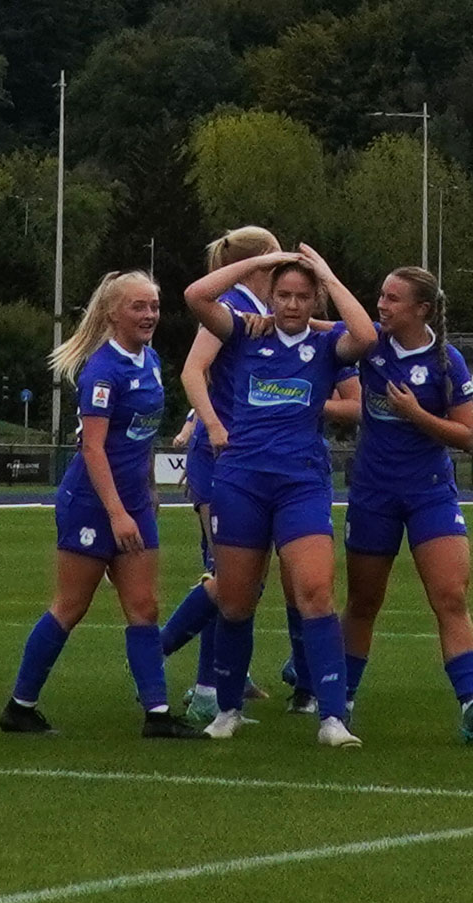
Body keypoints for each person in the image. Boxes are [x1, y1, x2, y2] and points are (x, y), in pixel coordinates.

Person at [0, 271, 205, 738]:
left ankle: (156, 714)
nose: (150, 314)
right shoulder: (103, 370)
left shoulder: (150, 360)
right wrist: (116, 513)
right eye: (138, 306)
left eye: (153, 305)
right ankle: (20, 706)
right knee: (71, 606)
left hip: (131, 502)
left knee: (144, 607)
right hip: (93, 504)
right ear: (113, 313)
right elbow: (93, 448)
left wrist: (147, 490)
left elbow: (140, 439)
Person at [183, 244, 372, 746]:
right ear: (271, 296)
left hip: (301, 482)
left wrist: (328, 274)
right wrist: (258, 264)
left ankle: (332, 717)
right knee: (236, 601)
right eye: (283, 294)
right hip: (242, 480)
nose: (291, 304)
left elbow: (368, 336)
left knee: (315, 591)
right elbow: (195, 294)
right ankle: (227, 710)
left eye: (301, 296)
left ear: (314, 300)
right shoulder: (245, 330)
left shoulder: (327, 344)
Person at [341, 267, 473, 744]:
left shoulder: (446, 361)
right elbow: (318, 329)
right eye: (381, 295)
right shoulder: (369, 345)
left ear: (422, 310)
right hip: (373, 493)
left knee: (450, 596)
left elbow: (468, 436)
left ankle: (472, 703)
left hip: (430, 491)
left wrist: (416, 414)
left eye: (393, 299)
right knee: (364, 601)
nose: (382, 305)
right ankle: (341, 702)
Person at [158, 227, 286, 723]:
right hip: (223, 459)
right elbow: (194, 371)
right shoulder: (228, 305)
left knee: (239, 580)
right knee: (230, 578)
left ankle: (218, 678)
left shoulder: (255, 309)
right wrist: (209, 424)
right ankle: (179, 668)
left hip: (241, 458)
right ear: (261, 263)